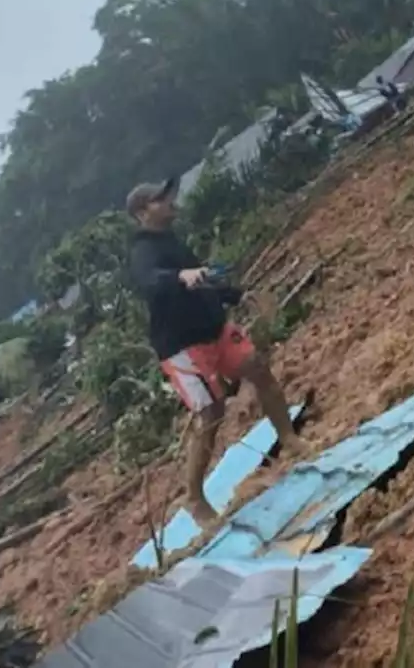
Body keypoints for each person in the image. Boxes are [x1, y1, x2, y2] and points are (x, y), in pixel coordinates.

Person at [126, 177, 310, 527]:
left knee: (258, 368)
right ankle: (194, 499)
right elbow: (152, 282)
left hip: (215, 329)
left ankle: (288, 437)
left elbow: (202, 280)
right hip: (183, 346)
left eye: (168, 197)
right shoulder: (142, 251)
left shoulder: (172, 241)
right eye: (160, 200)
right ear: (141, 213)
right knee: (211, 413)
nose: (170, 202)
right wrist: (180, 276)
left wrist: (239, 295)